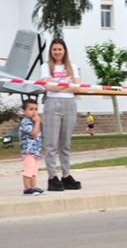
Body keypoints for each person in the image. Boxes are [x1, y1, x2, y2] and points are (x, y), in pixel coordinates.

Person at [40, 38, 82, 192]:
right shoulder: (46, 66)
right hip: (52, 104)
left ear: (65, 51)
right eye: (54, 49)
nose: (57, 52)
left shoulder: (72, 66)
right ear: (51, 52)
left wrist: (57, 87)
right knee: (51, 143)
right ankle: (52, 176)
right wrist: (66, 86)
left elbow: (77, 86)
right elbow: (47, 86)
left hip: (69, 104)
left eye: (60, 49)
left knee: (65, 143)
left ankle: (66, 175)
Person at [19, 99, 44, 195]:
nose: (34, 112)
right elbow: (34, 134)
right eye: (31, 109)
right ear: (24, 111)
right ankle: (27, 188)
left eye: (36, 109)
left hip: (36, 150)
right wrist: (38, 122)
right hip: (28, 150)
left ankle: (34, 187)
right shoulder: (26, 122)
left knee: (34, 170)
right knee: (28, 169)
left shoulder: (33, 122)